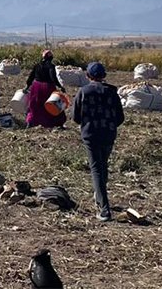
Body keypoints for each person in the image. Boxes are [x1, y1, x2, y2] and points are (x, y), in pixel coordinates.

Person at [72, 62, 125, 221]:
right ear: (104, 76)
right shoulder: (112, 92)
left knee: (96, 168)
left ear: (88, 76)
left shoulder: (83, 91)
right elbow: (120, 117)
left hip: (91, 134)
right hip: (108, 134)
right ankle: (99, 196)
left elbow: (75, 117)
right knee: (103, 165)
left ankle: (104, 210)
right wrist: (109, 125)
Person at [25, 49, 67, 128]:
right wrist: (60, 87)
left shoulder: (37, 65)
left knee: (35, 105)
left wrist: (27, 86)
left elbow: (31, 77)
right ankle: (58, 123)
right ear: (51, 58)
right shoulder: (51, 66)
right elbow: (53, 78)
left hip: (36, 87)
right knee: (53, 104)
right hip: (48, 88)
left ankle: (31, 122)